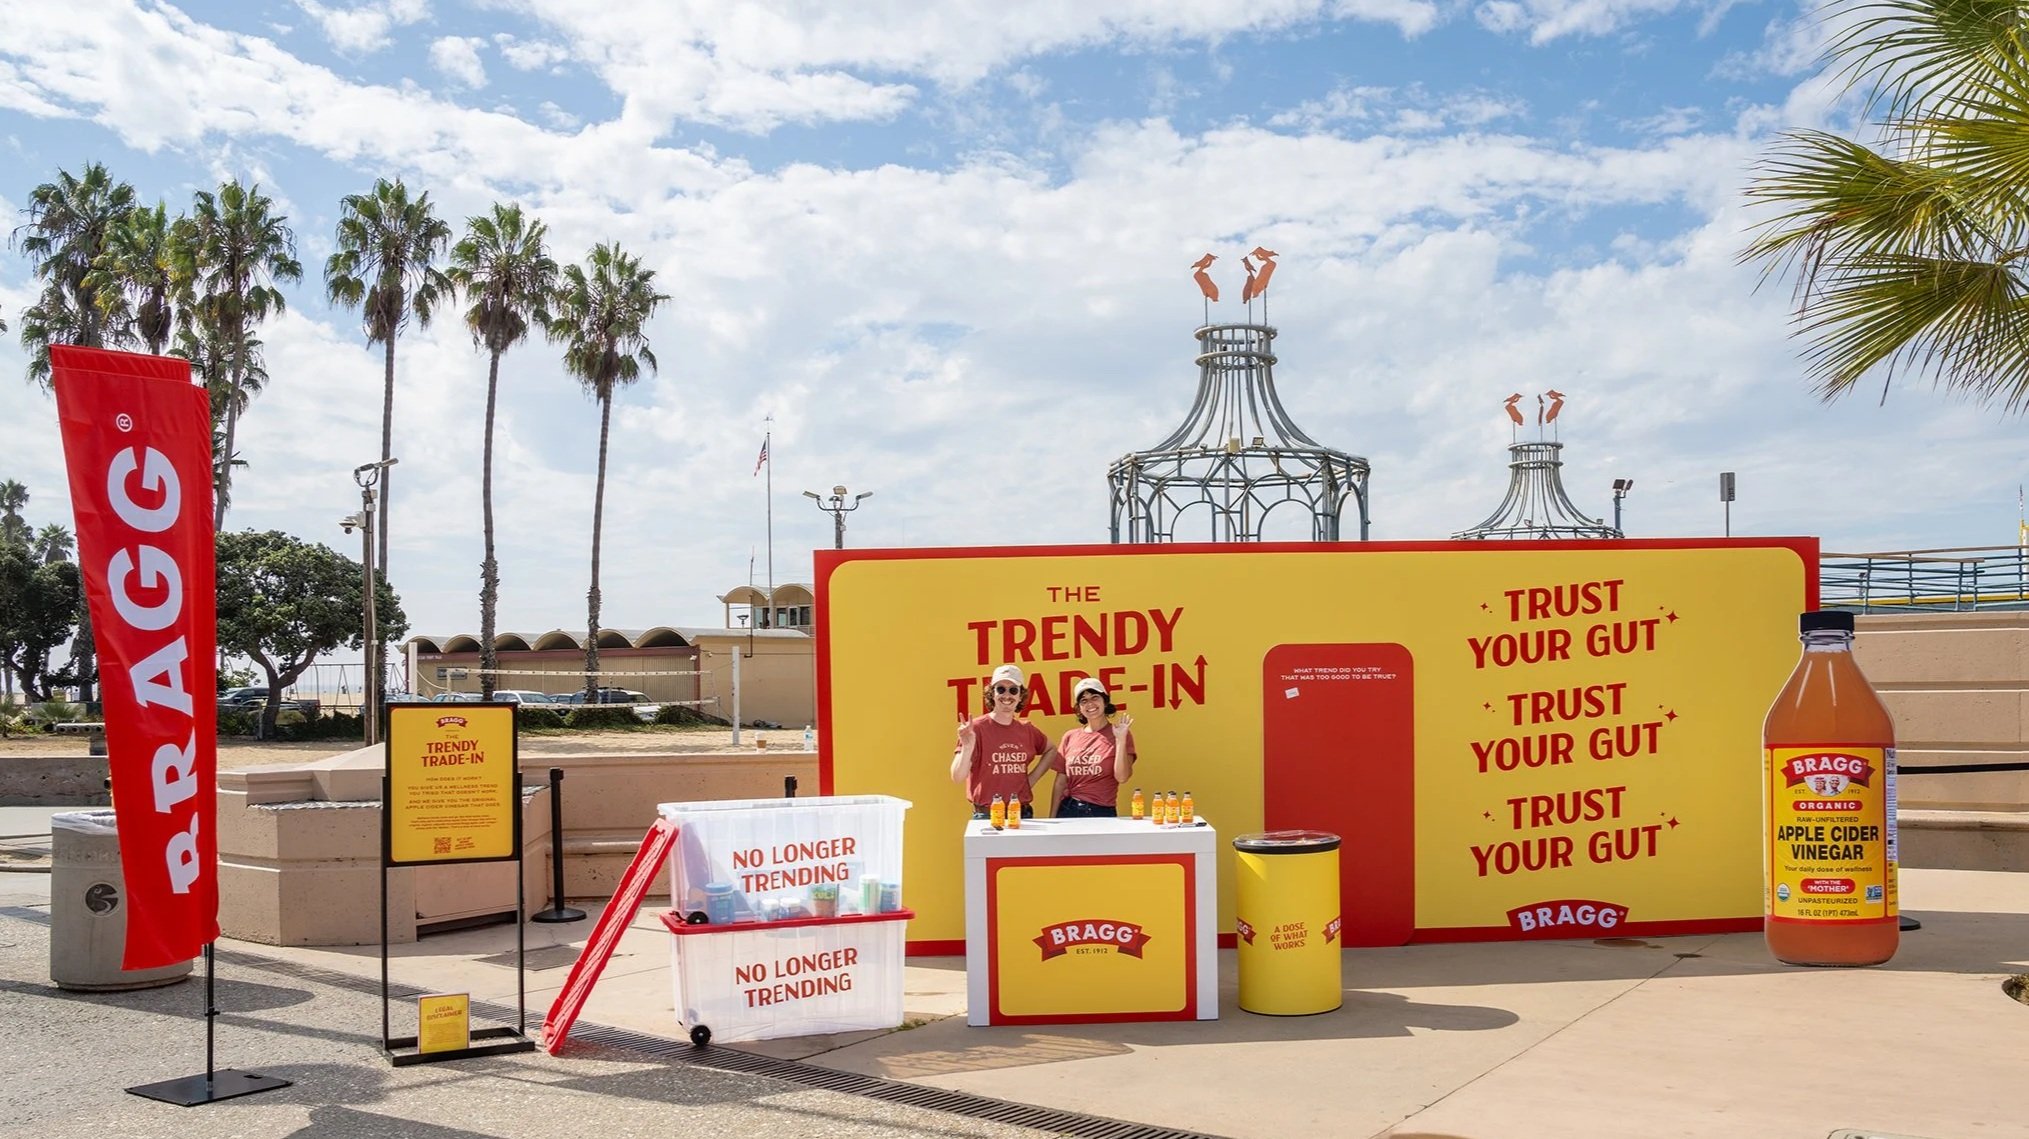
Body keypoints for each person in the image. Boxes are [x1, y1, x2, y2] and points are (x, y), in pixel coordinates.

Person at [951, 664, 1057, 819]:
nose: (1007, 695)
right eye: (1001, 689)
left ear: (1020, 696)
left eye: (1013, 690)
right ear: (992, 693)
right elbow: (957, 777)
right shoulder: (976, 729)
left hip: (1021, 813)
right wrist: (967, 747)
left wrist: (1030, 780)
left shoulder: (1027, 729)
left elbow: (1051, 749)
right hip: (987, 816)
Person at [1037, 676, 1136, 817]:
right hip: (1068, 809)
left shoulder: (1119, 733)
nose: (1090, 704)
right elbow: (1061, 782)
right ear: (1079, 708)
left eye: (1095, 697)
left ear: (1105, 701)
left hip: (1101, 812)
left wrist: (1120, 740)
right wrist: (1052, 818)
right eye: (1084, 700)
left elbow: (1122, 777)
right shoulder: (1070, 736)